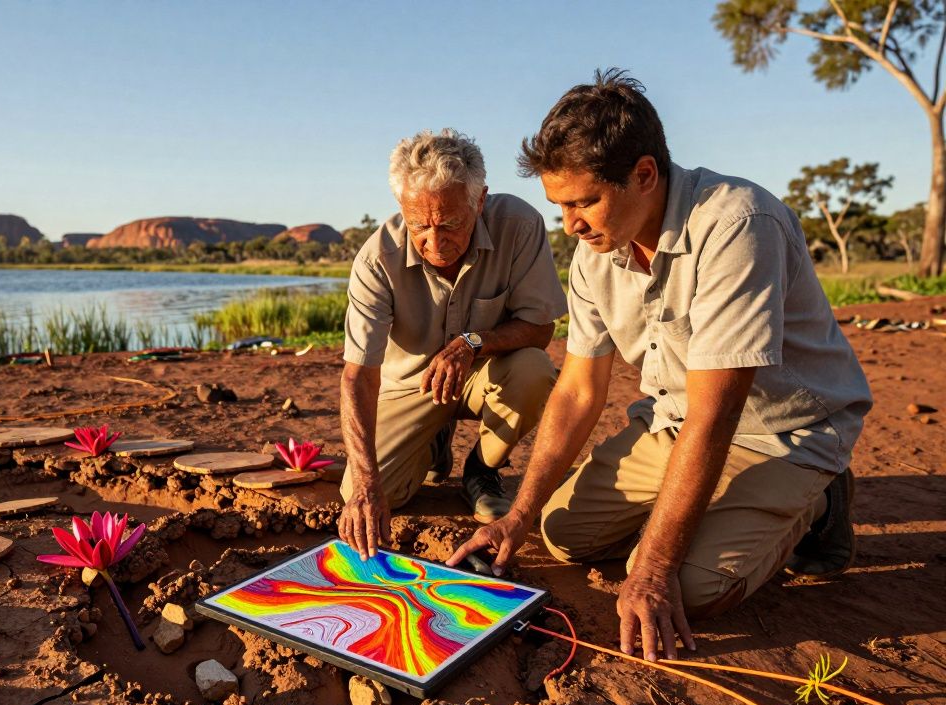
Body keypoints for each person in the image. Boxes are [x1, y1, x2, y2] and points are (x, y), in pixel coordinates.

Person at [448, 70, 872, 662]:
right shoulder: (595, 254)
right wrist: (516, 517)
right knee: (562, 535)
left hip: (781, 434)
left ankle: (822, 504)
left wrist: (652, 564)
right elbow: (576, 392)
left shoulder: (737, 225)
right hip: (675, 426)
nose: (569, 225)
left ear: (644, 175)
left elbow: (717, 414)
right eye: (559, 206)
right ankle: (715, 504)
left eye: (584, 202)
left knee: (690, 588)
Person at [338, 128, 567, 562]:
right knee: (364, 491)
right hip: (412, 387)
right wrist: (366, 485)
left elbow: (541, 329)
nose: (434, 242)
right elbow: (358, 377)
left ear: (479, 202)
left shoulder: (518, 225)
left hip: (487, 370)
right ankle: (433, 442)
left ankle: (482, 469)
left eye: (450, 224)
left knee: (534, 368)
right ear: (401, 208)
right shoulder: (376, 259)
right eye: (419, 225)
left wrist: (473, 342)